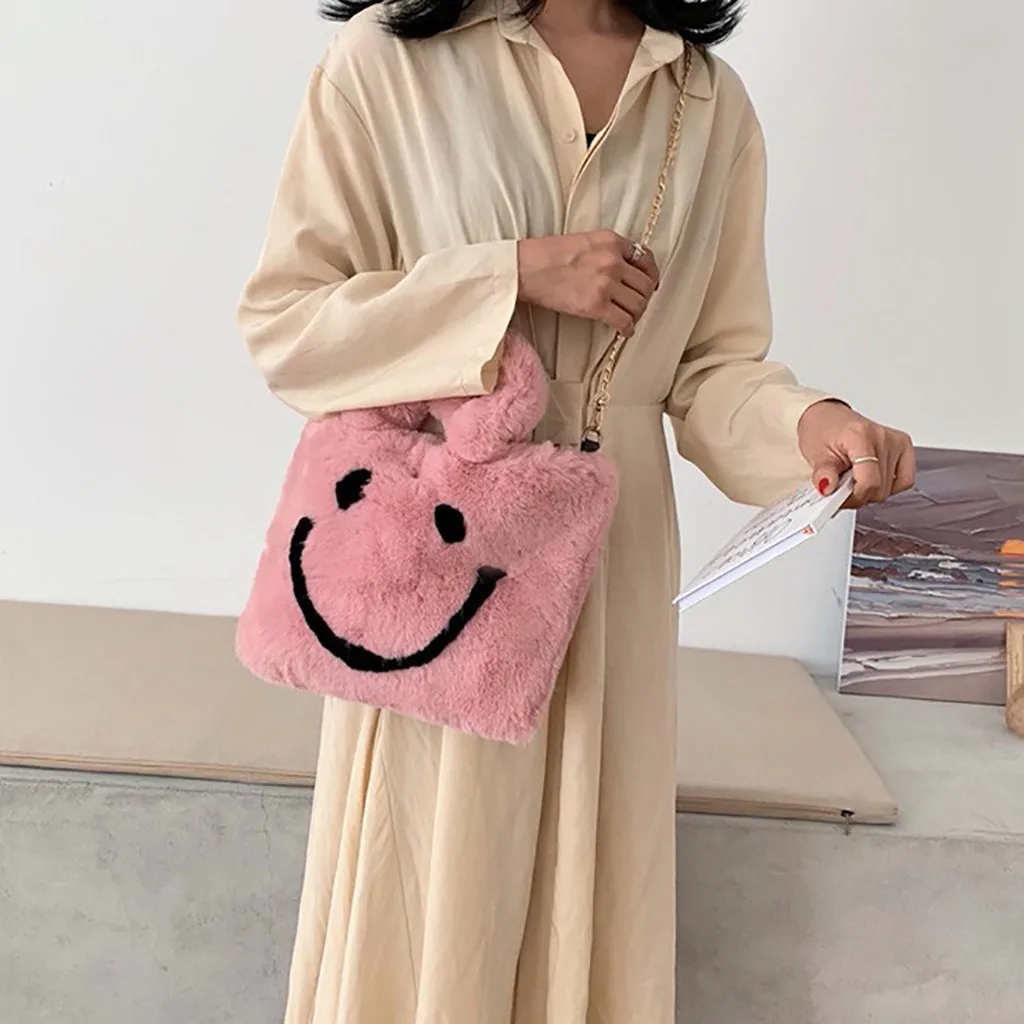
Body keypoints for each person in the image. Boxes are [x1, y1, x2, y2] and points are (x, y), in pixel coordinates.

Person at [238, 0, 916, 1020]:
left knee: (588, 902)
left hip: (610, 568)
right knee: (427, 889)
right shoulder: (388, 60)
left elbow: (710, 368)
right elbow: (290, 326)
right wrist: (508, 275)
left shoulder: (705, 100)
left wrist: (809, 422)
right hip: (442, 562)